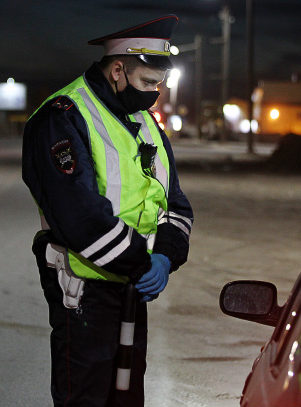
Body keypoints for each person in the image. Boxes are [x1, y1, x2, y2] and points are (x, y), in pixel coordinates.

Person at [22, 14, 193, 407]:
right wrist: (139, 263)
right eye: (149, 83)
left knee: (127, 396)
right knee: (87, 397)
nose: (155, 94)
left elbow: (176, 204)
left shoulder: (145, 123)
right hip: (84, 291)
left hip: (135, 284)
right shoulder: (63, 116)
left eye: (160, 84)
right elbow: (78, 215)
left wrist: (165, 257)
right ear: (118, 70)